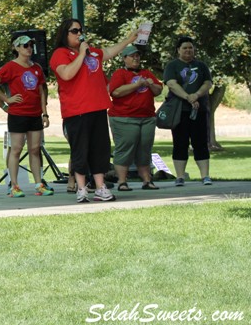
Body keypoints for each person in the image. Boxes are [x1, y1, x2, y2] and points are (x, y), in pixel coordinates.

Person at [50, 19, 137, 203]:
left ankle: (100, 187)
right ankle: (81, 188)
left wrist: (128, 40)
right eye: (74, 31)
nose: (79, 33)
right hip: (77, 110)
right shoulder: (61, 53)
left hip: (97, 107)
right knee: (81, 150)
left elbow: (107, 52)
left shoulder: (92, 53)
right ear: (65, 33)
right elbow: (66, 74)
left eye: (81, 30)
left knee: (100, 149)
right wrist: (81, 53)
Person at [0, 34, 53, 198]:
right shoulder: (10, 67)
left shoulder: (36, 67)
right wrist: (5, 101)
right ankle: (14, 185)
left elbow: (41, 91)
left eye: (31, 45)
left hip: (35, 114)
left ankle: (39, 183)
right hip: (18, 113)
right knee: (16, 149)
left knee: (35, 149)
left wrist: (44, 113)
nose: (29, 48)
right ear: (16, 48)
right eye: (25, 45)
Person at [108, 45, 163, 191]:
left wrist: (151, 85)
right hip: (124, 118)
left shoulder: (146, 73)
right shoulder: (119, 74)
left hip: (146, 118)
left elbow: (158, 90)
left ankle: (146, 180)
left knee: (144, 149)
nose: (135, 58)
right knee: (125, 148)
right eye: (132, 56)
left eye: (137, 55)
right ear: (124, 58)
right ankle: (121, 181)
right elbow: (116, 92)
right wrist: (136, 85)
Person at [163, 36, 214, 186]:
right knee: (180, 143)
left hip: (199, 110)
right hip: (179, 112)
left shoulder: (201, 65)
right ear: (178, 50)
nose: (188, 50)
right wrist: (188, 97)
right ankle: (180, 177)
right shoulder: (172, 66)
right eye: (185, 47)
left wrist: (197, 95)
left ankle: (205, 176)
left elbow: (208, 83)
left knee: (201, 143)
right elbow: (171, 84)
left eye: (190, 48)